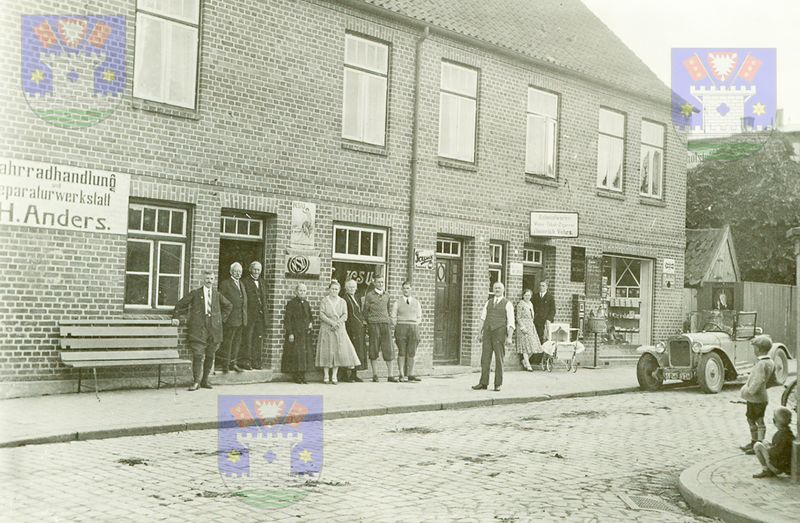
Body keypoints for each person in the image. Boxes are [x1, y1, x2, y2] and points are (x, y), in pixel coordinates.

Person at [172, 270, 232, 391]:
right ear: (203, 280)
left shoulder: (216, 295)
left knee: (210, 355)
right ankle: (196, 382)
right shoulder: (195, 293)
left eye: (211, 279)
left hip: (214, 329)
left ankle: (205, 380)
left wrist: (220, 319)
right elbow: (180, 304)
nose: (209, 281)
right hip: (199, 329)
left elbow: (229, 305)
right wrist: (176, 317)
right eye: (207, 278)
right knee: (198, 355)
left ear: (214, 280)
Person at [316, 281, 361, 384]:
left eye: (336, 289)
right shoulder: (325, 301)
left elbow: (345, 315)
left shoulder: (342, 302)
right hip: (327, 328)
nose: (334, 291)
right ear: (329, 290)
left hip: (339, 328)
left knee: (337, 351)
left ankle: (334, 376)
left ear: (339, 290)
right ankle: (326, 376)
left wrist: (337, 323)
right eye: (332, 289)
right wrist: (331, 322)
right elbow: (321, 314)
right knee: (326, 351)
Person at [473, 282, 515, 392]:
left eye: (499, 288)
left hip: (499, 333)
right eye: (495, 288)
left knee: (499, 359)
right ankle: (483, 383)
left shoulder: (507, 304)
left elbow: (511, 322)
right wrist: (479, 333)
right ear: (493, 289)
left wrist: (509, 337)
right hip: (487, 332)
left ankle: (498, 384)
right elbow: (483, 318)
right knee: (485, 358)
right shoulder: (489, 302)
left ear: (503, 290)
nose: (497, 290)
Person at [739, 335, 775, 455]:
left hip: (756, 398)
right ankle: (755, 442)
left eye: (754, 348)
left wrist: (749, 391)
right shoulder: (770, 362)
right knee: (752, 418)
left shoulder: (761, 364)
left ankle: (758, 443)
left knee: (758, 420)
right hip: (760, 397)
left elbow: (758, 380)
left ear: (758, 349)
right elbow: (771, 380)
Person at [364, 276, 396, 382]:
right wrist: (370, 323)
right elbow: (365, 311)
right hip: (374, 324)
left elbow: (387, 309)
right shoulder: (369, 296)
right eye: (378, 282)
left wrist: (387, 320)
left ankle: (390, 375)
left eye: (382, 282)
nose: (380, 284)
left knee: (388, 349)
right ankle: (375, 375)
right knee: (374, 349)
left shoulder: (387, 295)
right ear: (374, 283)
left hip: (385, 325)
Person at [282, 283, 315, 384]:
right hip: (296, 333)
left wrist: (310, 323)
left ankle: (303, 376)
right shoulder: (291, 303)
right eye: (300, 290)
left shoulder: (306, 303)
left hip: (305, 334)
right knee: (296, 355)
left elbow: (310, 316)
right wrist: (290, 333)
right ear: (296, 292)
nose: (302, 292)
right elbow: (287, 320)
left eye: (304, 291)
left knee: (304, 355)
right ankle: (296, 376)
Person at [219, 262, 248, 373]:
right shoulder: (225, 284)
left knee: (237, 342)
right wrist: (224, 316)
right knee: (228, 342)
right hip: (230, 319)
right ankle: (225, 365)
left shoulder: (241, 284)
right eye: (235, 271)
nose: (238, 273)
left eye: (240, 271)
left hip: (241, 318)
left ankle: (233, 363)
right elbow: (221, 300)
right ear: (231, 272)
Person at [391, 280, 423, 382]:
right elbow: (393, 317)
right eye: (404, 288)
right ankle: (401, 374)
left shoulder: (416, 303)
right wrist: (399, 325)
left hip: (413, 327)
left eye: (408, 288)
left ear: (411, 289)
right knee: (401, 351)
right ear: (401, 289)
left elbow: (419, 316)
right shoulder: (397, 302)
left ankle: (411, 374)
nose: (406, 290)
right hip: (401, 327)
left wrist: (414, 324)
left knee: (412, 352)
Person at [752, 406, 794, 478]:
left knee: (757, 445)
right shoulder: (789, 433)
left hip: (778, 468)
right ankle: (769, 470)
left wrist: (768, 447)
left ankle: (766, 470)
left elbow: (774, 453)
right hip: (786, 466)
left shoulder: (780, 435)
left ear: (774, 421)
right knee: (765, 442)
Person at [241, 261, 267, 370]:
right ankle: (247, 361)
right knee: (248, 338)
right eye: (255, 269)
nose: (257, 272)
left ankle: (257, 361)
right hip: (250, 315)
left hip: (260, 316)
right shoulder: (245, 282)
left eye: (259, 270)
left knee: (258, 338)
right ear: (251, 269)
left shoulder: (262, 282)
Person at [340, 279, 367, 382]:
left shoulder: (357, 297)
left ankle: (354, 374)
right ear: (346, 288)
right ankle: (345, 375)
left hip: (358, 327)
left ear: (356, 288)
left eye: (353, 287)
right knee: (348, 350)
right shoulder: (345, 299)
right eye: (349, 287)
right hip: (349, 327)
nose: (352, 289)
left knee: (357, 350)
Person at [514, 289, 542, 371]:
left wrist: (531, 325)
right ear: (523, 296)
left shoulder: (530, 304)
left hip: (530, 326)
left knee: (534, 346)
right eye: (526, 295)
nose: (527, 297)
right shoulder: (520, 304)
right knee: (525, 346)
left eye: (529, 295)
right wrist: (523, 327)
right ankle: (528, 364)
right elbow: (518, 317)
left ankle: (524, 361)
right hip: (523, 327)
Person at [532, 281, 555, 365]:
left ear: (546, 287)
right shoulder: (535, 296)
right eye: (540, 285)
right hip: (536, 322)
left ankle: (542, 360)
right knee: (536, 339)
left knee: (544, 340)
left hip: (545, 322)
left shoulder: (550, 297)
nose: (541, 287)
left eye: (543, 286)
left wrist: (549, 319)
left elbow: (553, 310)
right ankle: (535, 359)